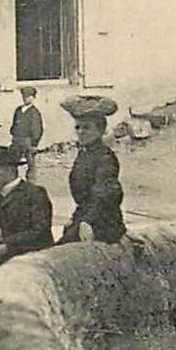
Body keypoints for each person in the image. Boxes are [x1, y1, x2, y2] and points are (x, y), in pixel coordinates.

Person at [0, 144, 54, 284]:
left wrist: (7, 247)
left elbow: (40, 233)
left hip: (27, 261)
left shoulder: (34, 193)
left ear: (8, 170)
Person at [58, 96, 127, 244]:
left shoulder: (105, 157)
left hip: (104, 223)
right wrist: (75, 218)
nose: (81, 132)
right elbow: (84, 199)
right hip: (85, 218)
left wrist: (86, 222)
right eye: (78, 127)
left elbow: (105, 194)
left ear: (100, 130)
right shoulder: (83, 154)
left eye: (87, 127)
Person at [10, 86, 45, 179]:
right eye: (24, 96)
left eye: (29, 96)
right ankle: (13, 181)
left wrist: (34, 143)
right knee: (13, 162)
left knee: (31, 164)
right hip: (17, 140)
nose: (25, 98)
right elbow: (14, 124)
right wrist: (13, 133)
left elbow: (37, 129)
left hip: (28, 141)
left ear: (33, 98)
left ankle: (31, 182)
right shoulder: (18, 110)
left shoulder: (34, 112)